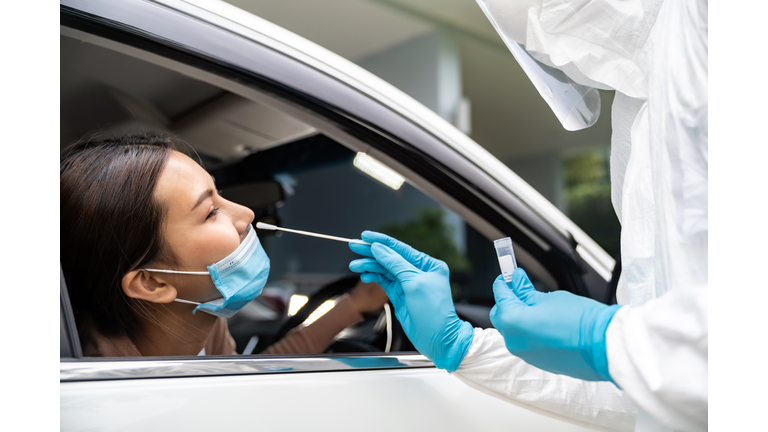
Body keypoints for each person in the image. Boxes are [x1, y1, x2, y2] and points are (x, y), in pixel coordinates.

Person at [349, 0, 707, 431]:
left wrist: (602, 337)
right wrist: (464, 347)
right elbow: (644, 388)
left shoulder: (709, 32)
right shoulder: (649, 100)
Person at [60, 133, 389, 358]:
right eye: (210, 211)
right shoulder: (110, 391)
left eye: (220, 194)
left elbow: (252, 377)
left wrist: (356, 304)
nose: (247, 213)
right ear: (152, 282)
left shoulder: (202, 316)